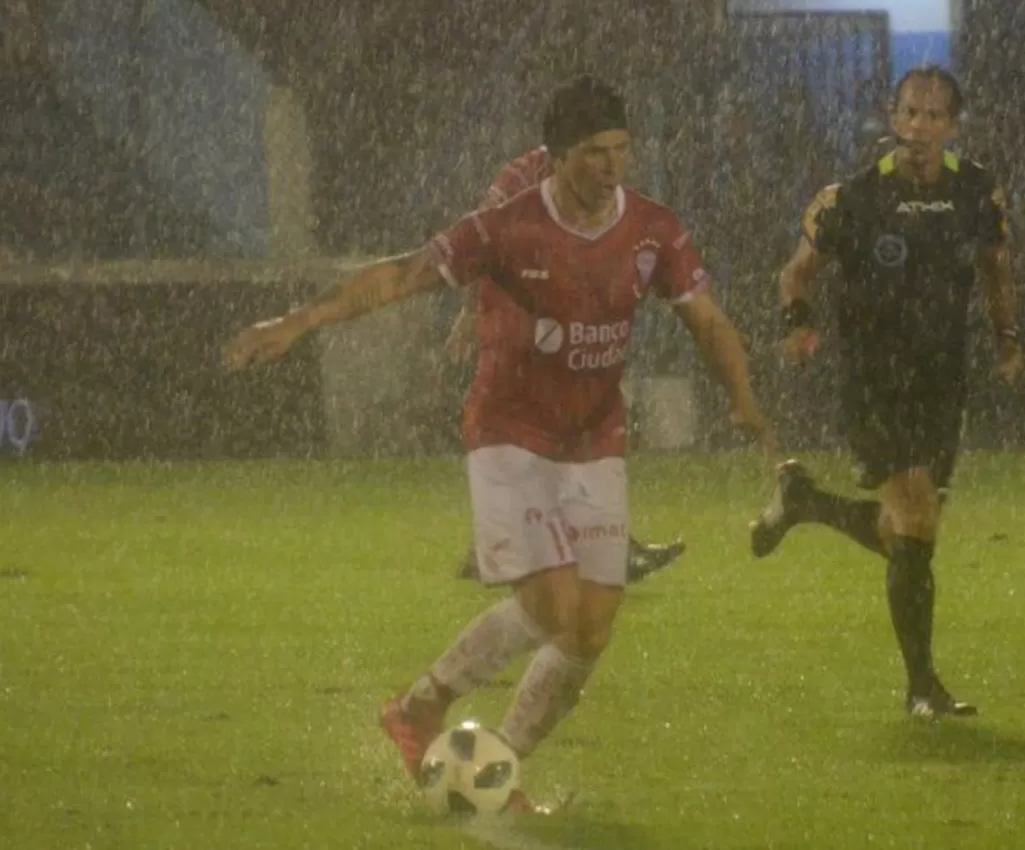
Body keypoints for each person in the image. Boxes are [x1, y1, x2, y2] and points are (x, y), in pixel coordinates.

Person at [225, 76, 775, 811]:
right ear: (555, 156)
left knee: (592, 631)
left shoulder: (653, 228)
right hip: (510, 432)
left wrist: (744, 403)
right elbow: (401, 277)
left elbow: (707, 321)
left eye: (621, 151)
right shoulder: (508, 226)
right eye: (593, 154)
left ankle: (495, 769)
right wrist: (298, 321)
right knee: (552, 609)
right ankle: (423, 708)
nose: (611, 170)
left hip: (595, 438)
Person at [749, 67, 1024, 720]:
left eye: (934, 116)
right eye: (910, 113)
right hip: (876, 382)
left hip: (941, 380)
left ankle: (806, 502)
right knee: (918, 522)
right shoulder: (855, 198)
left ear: (953, 125)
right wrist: (800, 324)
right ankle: (922, 686)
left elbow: (995, 267)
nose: (921, 127)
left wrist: (1007, 337)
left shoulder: (978, 192)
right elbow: (794, 275)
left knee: (907, 534)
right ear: (893, 118)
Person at [447, 146, 685, 585]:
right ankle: (598, 546)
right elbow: (481, 238)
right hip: (526, 326)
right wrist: (470, 312)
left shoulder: (586, 172)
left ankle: (501, 544)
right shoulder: (523, 174)